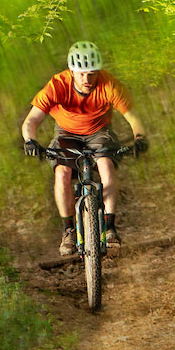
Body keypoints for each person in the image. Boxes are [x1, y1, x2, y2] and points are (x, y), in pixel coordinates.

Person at [21, 41, 149, 255]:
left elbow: (133, 117)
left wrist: (140, 137)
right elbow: (31, 121)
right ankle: (68, 230)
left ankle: (109, 228)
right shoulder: (57, 85)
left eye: (92, 74)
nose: (86, 80)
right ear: (71, 71)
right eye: (81, 74)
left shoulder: (110, 84)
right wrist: (29, 140)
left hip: (99, 131)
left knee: (106, 166)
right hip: (66, 133)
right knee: (62, 172)